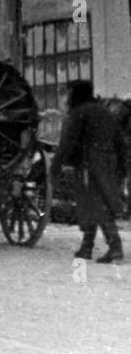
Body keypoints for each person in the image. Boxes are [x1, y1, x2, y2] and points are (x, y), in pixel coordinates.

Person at [53, 80, 126, 263]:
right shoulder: (105, 112)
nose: (67, 97)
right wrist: (121, 167)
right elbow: (120, 142)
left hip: (89, 162)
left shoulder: (79, 113)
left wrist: (56, 165)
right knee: (95, 203)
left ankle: (114, 246)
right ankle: (87, 247)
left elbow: (67, 142)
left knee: (94, 204)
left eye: (69, 92)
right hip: (108, 161)